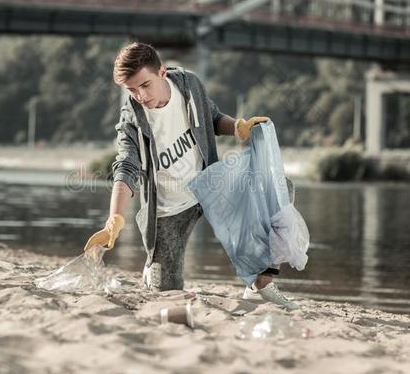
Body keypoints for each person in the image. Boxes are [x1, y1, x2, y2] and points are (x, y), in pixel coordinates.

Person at [84, 42, 299, 310]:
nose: (140, 95)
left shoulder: (189, 84)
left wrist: (238, 128)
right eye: (131, 89)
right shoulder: (132, 118)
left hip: (210, 185)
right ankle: (154, 269)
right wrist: (114, 219)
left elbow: (212, 117)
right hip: (168, 210)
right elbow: (126, 165)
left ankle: (259, 285)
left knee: (279, 189)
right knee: (167, 292)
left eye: (145, 85)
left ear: (162, 72)